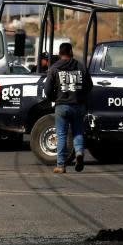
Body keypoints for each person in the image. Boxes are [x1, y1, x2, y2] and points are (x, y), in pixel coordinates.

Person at [44, 42, 93, 173]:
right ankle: (79, 153)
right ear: (71, 52)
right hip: (78, 105)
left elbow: (47, 89)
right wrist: (80, 96)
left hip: (62, 106)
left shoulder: (54, 68)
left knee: (61, 135)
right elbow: (89, 86)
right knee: (78, 132)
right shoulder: (81, 66)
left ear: (60, 54)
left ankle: (61, 165)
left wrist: (55, 98)